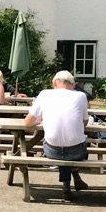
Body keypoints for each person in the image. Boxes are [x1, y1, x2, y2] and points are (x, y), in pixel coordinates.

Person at [23, 70, 89, 200]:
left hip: (52, 151)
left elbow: (27, 122)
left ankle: (67, 185)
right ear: (72, 85)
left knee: (60, 145)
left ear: (54, 83)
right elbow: (85, 122)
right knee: (73, 144)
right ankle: (73, 178)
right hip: (76, 152)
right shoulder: (81, 96)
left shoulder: (44, 94)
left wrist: (41, 119)